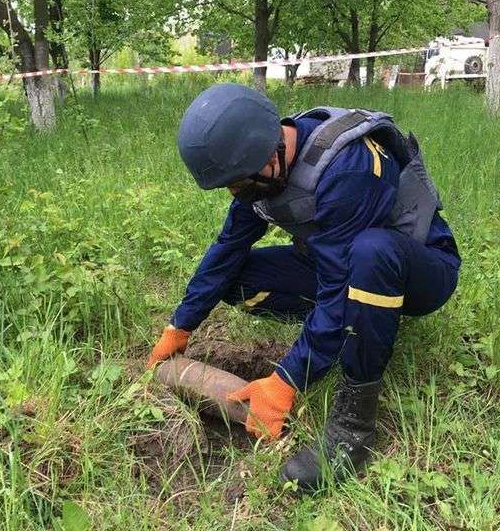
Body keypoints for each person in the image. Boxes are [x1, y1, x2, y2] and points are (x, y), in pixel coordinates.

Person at [146, 83, 461, 491]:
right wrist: (180, 325)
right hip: (342, 260)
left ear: (270, 154)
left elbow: (339, 284)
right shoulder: (262, 169)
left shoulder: (347, 169)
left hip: (420, 272)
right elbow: (228, 248)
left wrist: (288, 379)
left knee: (371, 251)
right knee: (239, 278)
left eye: (238, 183)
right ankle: (346, 329)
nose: (235, 193)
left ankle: (354, 427)